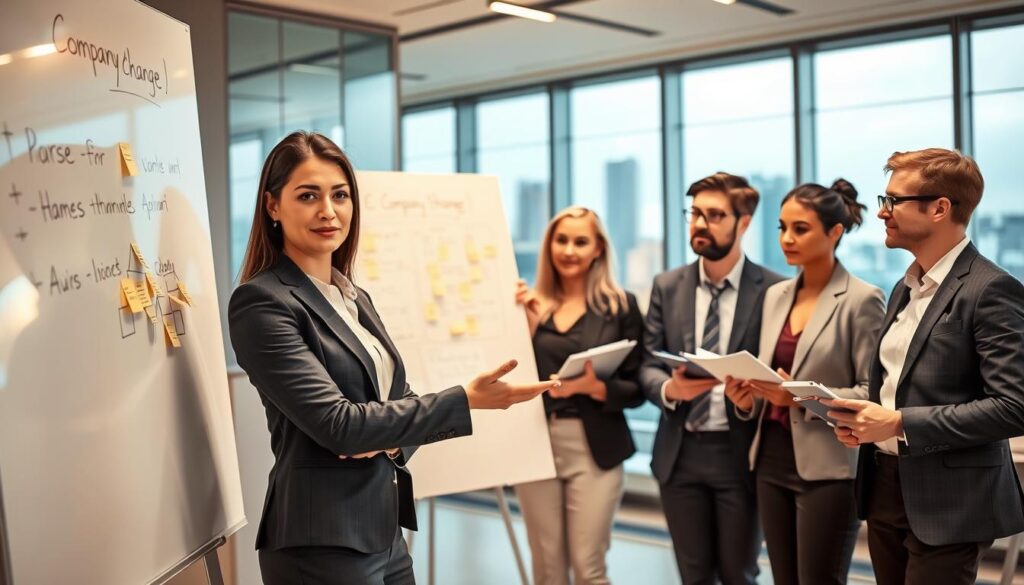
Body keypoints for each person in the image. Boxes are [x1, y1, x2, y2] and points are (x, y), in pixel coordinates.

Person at [229, 131, 558, 585]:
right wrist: (463, 399)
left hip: (383, 529)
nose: (328, 210)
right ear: (272, 206)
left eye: (340, 195)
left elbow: (396, 399)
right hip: (320, 542)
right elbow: (340, 426)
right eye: (308, 196)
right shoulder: (262, 302)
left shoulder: (353, 295)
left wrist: (378, 434)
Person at [821, 148, 1024, 585]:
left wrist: (896, 423)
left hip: (951, 500)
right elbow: (895, 387)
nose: (881, 212)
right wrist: (847, 410)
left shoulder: (992, 289)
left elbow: (1013, 406)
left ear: (939, 208)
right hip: (885, 487)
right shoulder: (904, 286)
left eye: (894, 200)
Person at [725, 180, 885, 584]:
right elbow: (770, 384)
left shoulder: (861, 299)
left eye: (800, 228)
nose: (787, 239)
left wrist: (797, 396)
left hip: (829, 468)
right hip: (770, 460)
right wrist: (746, 398)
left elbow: (873, 395)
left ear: (835, 232)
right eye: (781, 227)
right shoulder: (776, 295)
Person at [639, 172, 784, 584]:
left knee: (739, 574)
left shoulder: (774, 290)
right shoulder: (667, 286)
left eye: (714, 215)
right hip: (679, 454)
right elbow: (646, 365)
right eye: (695, 213)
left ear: (743, 223)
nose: (700, 223)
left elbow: (777, 375)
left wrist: (749, 397)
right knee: (693, 575)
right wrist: (669, 388)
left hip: (741, 456)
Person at [513, 206, 645, 585]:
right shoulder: (530, 305)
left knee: (589, 568)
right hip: (535, 443)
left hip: (595, 449)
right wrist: (525, 328)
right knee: (547, 568)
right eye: (561, 240)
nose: (569, 250)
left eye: (580, 241)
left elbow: (638, 387)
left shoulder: (621, 306)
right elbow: (509, 375)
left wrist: (596, 388)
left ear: (598, 249)